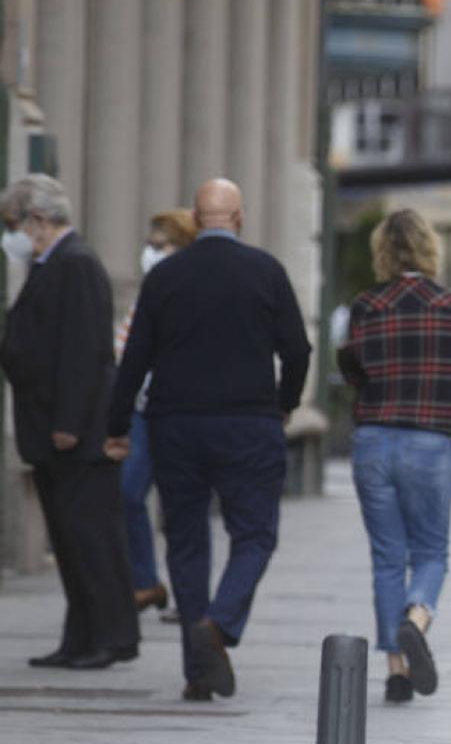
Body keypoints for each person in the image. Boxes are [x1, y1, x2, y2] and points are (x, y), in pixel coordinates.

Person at [108, 178, 312, 701]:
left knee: (186, 541)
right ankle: (219, 625)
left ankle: (197, 672)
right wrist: (284, 403)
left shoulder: (166, 276)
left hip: (174, 425)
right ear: (239, 219)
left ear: (197, 220)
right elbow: (297, 349)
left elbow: (134, 360)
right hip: (248, 424)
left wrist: (114, 427)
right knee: (255, 535)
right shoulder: (265, 271)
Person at [337, 210, 451, 704]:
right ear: (430, 248)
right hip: (429, 438)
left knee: (386, 558)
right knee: (430, 552)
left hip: (375, 438)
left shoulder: (367, 306)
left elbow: (350, 365)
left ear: (383, 251)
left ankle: (397, 671)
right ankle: (416, 618)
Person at [0, 175, 141, 669]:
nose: (13, 235)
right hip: (51, 429)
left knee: (90, 538)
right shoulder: (52, 263)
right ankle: (80, 637)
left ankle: (109, 636)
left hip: (73, 433)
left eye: (15, 224)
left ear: (38, 220)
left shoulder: (75, 263)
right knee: (70, 539)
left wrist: (69, 422)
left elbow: (85, 351)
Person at [118, 208, 199, 619]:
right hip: (141, 410)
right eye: (149, 246)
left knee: (180, 508)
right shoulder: (148, 290)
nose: (150, 253)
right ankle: (146, 580)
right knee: (129, 492)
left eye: (160, 246)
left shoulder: (186, 291)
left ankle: (188, 596)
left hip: (176, 410)